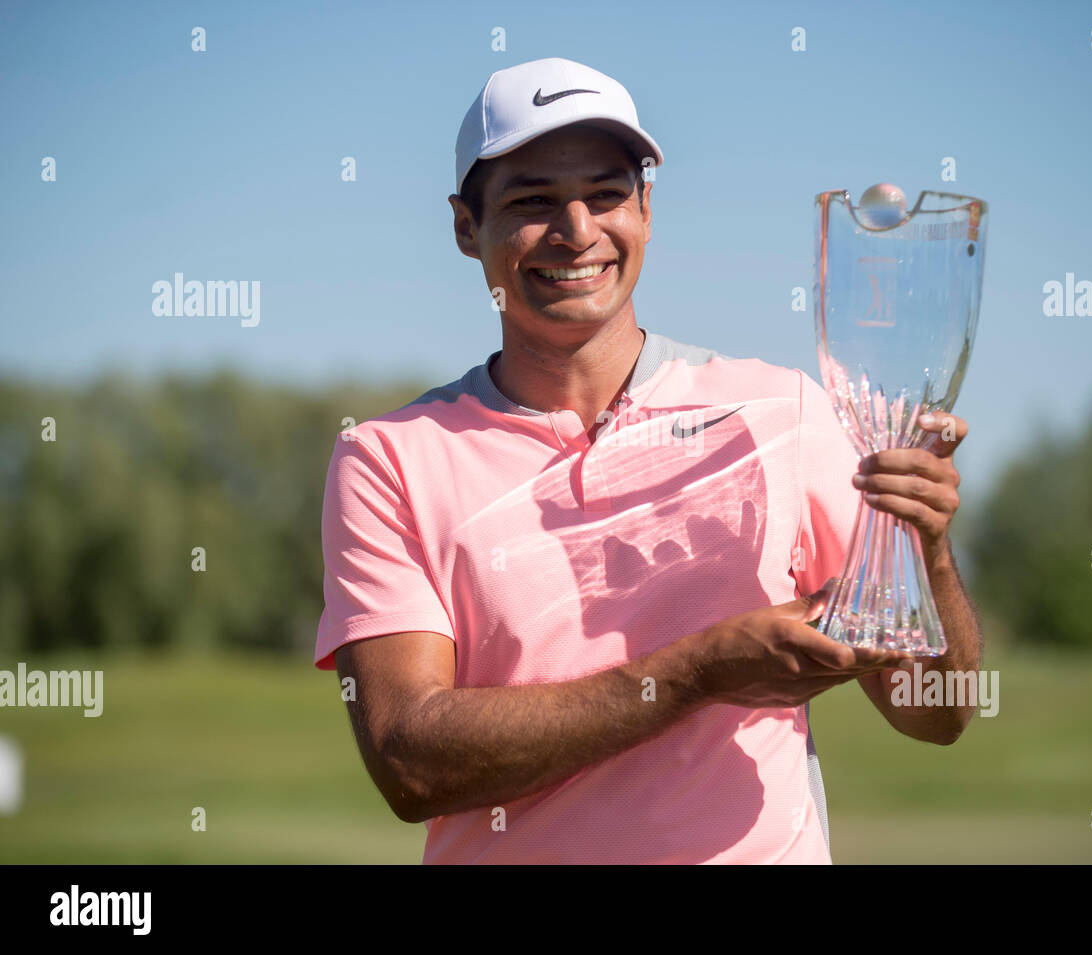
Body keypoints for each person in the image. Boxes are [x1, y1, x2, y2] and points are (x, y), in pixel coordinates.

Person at [313, 57, 982, 864]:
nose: (577, 231)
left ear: (647, 208)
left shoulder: (783, 410)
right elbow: (409, 759)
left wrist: (925, 548)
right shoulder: (388, 459)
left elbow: (935, 712)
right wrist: (698, 672)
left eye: (606, 193)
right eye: (532, 201)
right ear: (465, 227)